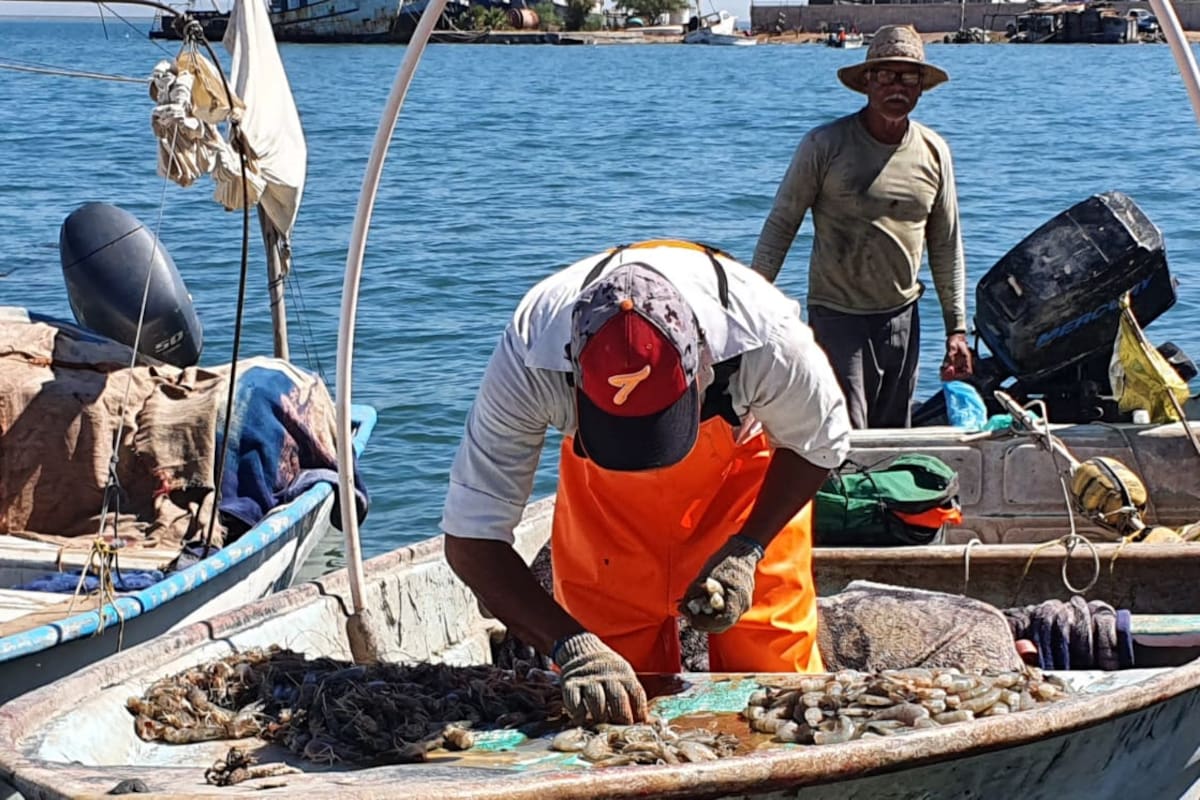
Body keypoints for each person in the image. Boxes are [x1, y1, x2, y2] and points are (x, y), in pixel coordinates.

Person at [441, 240, 851, 725]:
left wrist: (748, 549)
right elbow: (471, 538)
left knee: (778, 685)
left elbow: (820, 443)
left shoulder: (764, 335)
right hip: (608, 513)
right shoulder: (532, 354)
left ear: (700, 362)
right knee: (609, 700)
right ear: (573, 374)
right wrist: (572, 646)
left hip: (739, 489)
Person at [751, 24, 972, 429]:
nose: (897, 86)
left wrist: (956, 328)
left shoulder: (934, 151)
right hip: (838, 318)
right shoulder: (824, 145)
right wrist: (750, 309)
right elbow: (782, 225)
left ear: (922, 86)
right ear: (867, 82)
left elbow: (946, 244)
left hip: (903, 318)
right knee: (844, 434)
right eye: (886, 74)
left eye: (909, 76)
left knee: (893, 439)